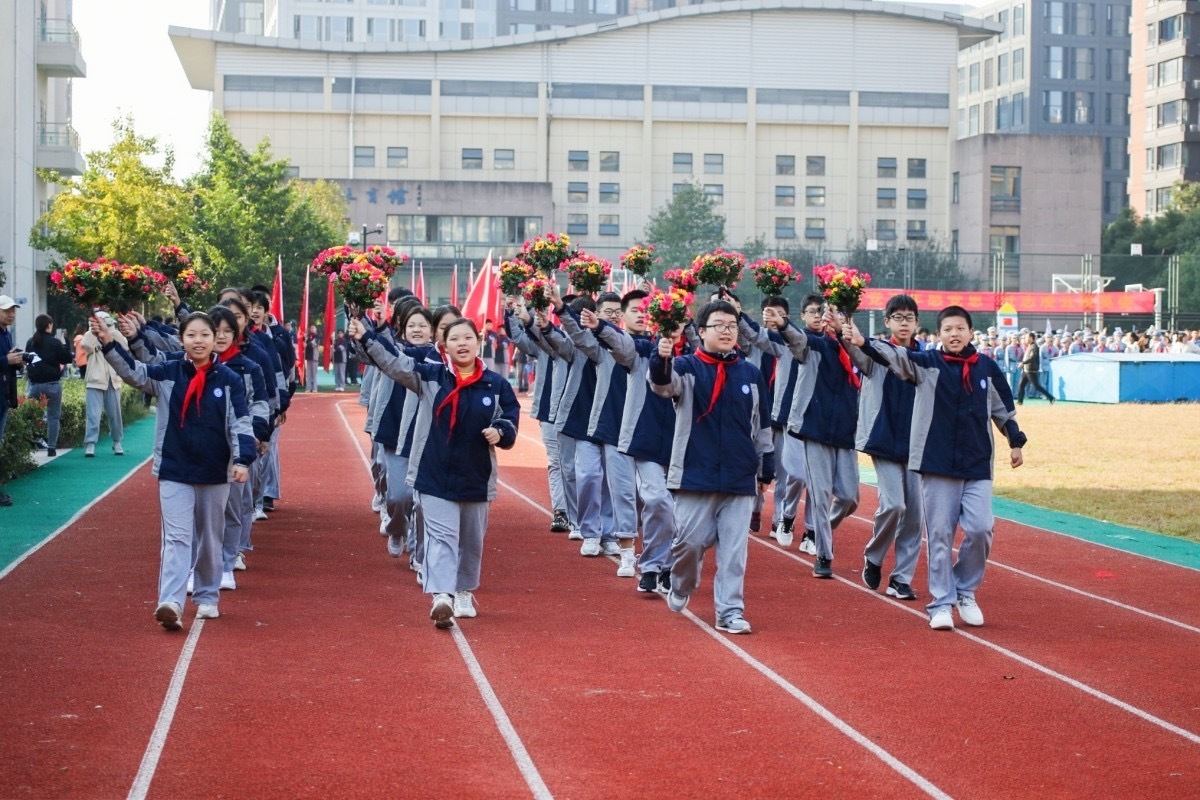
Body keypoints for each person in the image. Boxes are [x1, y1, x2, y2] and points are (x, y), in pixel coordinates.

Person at [844, 306, 1027, 631]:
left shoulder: (985, 366)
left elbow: (1002, 408)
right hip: (937, 464)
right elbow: (897, 357)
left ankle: (965, 589)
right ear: (938, 334)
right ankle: (941, 602)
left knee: (981, 529)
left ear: (971, 332)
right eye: (947, 329)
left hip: (976, 464)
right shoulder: (928, 365)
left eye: (960, 328)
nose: (954, 334)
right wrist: (863, 341)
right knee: (940, 535)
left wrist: (1015, 441)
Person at [351, 315, 520, 629]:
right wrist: (366, 337)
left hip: (476, 476)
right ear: (444, 346)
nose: (462, 344)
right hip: (434, 472)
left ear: (478, 342)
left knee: (471, 540)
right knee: (441, 537)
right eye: (455, 339)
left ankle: (464, 590)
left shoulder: (496, 385)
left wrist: (501, 431)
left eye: (467, 338)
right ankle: (441, 595)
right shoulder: (430, 377)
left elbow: (510, 416)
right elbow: (394, 363)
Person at [93, 310, 256, 631]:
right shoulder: (169, 372)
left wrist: (242, 459)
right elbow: (135, 373)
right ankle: (171, 602)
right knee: (178, 538)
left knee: (210, 539)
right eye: (192, 335)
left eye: (205, 335)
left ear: (214, 341)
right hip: (175, 469)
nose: (199, 341)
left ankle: (208, 595)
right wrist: (111, 344)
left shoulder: (229, 380)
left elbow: (241, 422)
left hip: (215, 472)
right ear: (181, 339)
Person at [649, 299, 773, 634]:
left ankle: (730, 611)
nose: (727, 331)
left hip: (739, 477)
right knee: (688, 544)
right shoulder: (688, 367)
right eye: (719, 325)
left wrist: (765, 466)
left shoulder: (749, 372)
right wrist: (662, 355)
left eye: (731, 326)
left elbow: (761, 424)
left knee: (734, 552)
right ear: (701, 332)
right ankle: (681, 583)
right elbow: (663, 386)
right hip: (695, 474)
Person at [845, 295, 923, 601]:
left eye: (909, 317)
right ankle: (874, 555)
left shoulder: (925, 359)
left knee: (915, 516)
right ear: (887, 321)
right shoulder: (873, 353)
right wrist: (843, 320)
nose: (904, 323)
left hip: (917, 446)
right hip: (884, 439)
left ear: (917, 323)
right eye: (898, 317)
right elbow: (854, 346)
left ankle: (901, 578)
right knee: (895, 505)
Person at [24, 314, 73, 458]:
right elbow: (67, 358)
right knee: (53, 417)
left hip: (34, 385)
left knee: (32, 416)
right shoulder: (55, 342)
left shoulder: (30, 342)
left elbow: (27, 360)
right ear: (49, 325)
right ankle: (51, 447)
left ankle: (34, 440)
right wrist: (66, 344)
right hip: (52, 385)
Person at [79, 311, 127, 458]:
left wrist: (110, 329)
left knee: (115, 415)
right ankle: (91, 443)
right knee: (93, 415)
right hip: (95, 381)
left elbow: (125, 346)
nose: (103, 326)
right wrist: (94, 331)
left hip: (113, 380)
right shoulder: (89, 336)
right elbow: (86, 346)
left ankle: (117, 441)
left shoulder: (113, 334)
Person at [0, 296, 24, 506]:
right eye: (7, 310)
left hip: (4, 396)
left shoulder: (6, 334)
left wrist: (18, 362)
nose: (11, 314)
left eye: (13, 310)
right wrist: (6, 360)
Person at [1017, 331, 1055, 405]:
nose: (1025, 339)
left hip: (1031, 370)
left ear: (1031, 338)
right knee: (1021, 385)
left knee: (1036, 386)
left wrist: (1023, 363)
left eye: (1027, 338)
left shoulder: (1034, 347)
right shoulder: (1030, 346)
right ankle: (1020, 401)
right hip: (1026, 370)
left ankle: (1051, 398)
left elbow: (1032, 358)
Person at [304, 325, 319, 392]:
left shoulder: (317, 336)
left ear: (316, 329)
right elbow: (303, 343)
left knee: (314, 373)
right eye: (311, 328)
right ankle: (308, 387)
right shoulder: (307, 336)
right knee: (308, 373)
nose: (312, 329)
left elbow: (314, 343)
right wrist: (305, 339)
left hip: (314, 356)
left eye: (314, 328)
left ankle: (314, 388)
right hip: (308, 356)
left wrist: (307, 344)